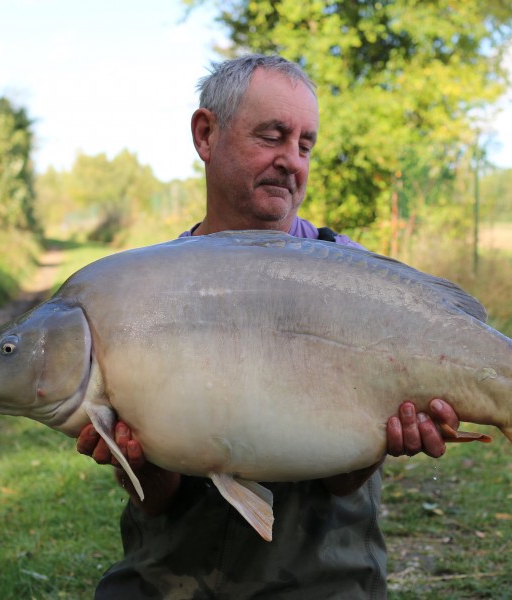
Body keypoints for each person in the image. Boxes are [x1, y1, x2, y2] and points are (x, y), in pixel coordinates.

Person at [76, 54, 461, 599]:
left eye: (304, 145)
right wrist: (130, 454)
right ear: (206, 134)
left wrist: (383, 440)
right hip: (170, 575)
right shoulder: (146, 289)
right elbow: (154, 499)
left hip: (321, 578)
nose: (291, 162)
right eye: (273, 137)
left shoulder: (354, 276)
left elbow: (342, 480)